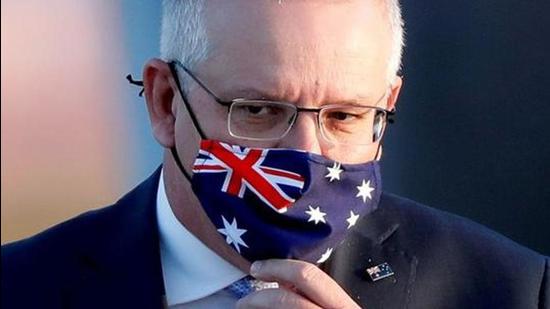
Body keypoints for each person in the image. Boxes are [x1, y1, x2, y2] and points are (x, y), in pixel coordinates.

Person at [2, 0, 548, 308]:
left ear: (387, 107)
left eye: (344, 116)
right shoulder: (20, 289)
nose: (307, 157)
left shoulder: (510, 291)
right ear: (165, 102)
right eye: (258, 112)